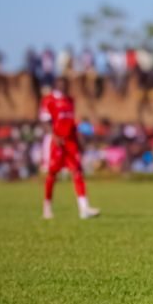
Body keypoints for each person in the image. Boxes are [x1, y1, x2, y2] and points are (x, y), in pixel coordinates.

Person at [39, 77, 100, 220]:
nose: (64, 86)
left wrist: (79, 141)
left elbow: (72, 123)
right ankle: (47, 207)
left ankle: (84, 208)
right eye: (61, 84)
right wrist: (54, 136)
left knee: (77, 171)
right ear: (55, 85)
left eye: (65, 84)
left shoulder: (70, 101)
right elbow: (45, 121)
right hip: (57, 142)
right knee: (52, 174)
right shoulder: (49, 100)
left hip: (70, 142)